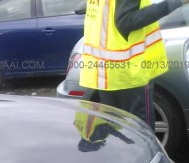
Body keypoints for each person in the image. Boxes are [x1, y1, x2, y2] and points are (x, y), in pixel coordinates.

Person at [80, 0, 189, 129]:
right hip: (129, 73)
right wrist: (172, 4)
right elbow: (125, 22)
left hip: (108, 71)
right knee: (141, 132)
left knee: (119, 131)